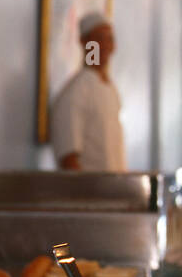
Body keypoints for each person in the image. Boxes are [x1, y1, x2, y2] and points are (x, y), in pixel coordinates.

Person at [50, 12, 126, 171]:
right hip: (91, 194)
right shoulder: (75, 93)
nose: (104, 45)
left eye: (109, 39)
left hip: (116, 192)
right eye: (99, 38)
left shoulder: (110, 88)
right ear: (84, 41)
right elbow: (69, 160)